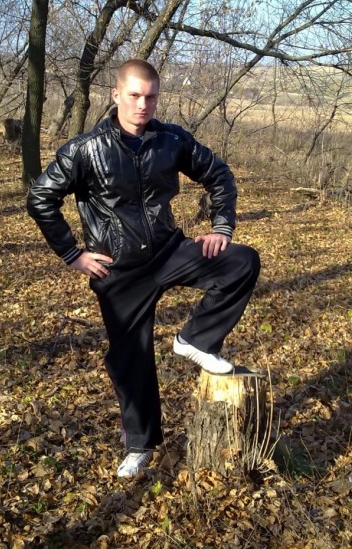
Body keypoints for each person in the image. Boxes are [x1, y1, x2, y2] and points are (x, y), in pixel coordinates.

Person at [27, 59, 260, 478]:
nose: (142, 104)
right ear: (116, 94)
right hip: (118, 270)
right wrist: (72, 254)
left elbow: (219, 174)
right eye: (134, 95)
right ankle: (141, 445)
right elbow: (41, 197)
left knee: (241, 261)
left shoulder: (171, 140)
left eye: (151, 96)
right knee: (130, 359)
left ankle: (196, 340)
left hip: (169, 250)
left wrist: (221, 226)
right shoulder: (85, 149)